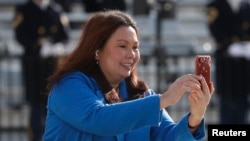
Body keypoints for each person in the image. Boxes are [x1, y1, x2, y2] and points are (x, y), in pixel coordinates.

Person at [43, 10, 214, 141]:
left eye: (135, 47)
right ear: (97, 51)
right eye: (122, 46)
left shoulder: (142, 94)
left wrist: (195, 117)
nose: (131, 54)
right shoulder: (68, 86)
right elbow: (99, 119)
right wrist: (165, 99)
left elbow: (168, 137)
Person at [12, 0, 70, 140]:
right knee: (36, 104)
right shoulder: (24, 9)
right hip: (33, 65)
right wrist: (37, 47)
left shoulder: (55, 9)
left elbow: (64, 35)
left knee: (52, 102)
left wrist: (56, 46)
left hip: (52, 64)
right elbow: (20, 35)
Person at [206, 0, 250, 124]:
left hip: (243, 63)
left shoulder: (245, 5)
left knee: (242, 102)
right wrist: (229, 45)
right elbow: (214, 27)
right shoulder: (215, 5)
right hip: (226, 61)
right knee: (227, 102)